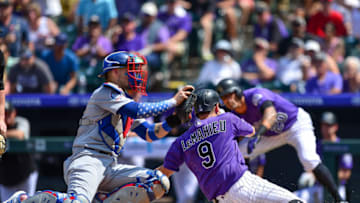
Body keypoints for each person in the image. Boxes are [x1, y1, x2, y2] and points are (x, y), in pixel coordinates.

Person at [5, 51, 194, 203]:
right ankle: (24, 200)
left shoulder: (123, 103)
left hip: (109, 166)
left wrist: (176, 120)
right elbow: (137, 110)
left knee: (157, 181)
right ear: (114, 72)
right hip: (87, 160)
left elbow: (150, 133)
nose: (135, 74)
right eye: (129, 69)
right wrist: (172, 101)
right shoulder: (106, 92)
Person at [157, 89, 303, 203]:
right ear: (216, 107)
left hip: (219, 199)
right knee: (294, 201)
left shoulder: (180, 141)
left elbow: (165, 172)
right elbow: (251, 131)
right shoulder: (227, 119)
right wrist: (222, 114)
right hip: (241, 184)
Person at [215, 78, 345, 202]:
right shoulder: (234, 114)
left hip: (296, 125)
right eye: (225, 98)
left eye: (230, 94)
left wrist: (258, 134)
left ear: (238, 91)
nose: (229, 100)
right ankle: (245, 193)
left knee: (309, 159)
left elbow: (271, 114)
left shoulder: (255, 94)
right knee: (241, 152)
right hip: (271, 135)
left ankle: (339, 199)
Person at [0, 101, 37, 202]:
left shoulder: (20, 121)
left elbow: (20, 135)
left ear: (14, 113)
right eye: (4, 113)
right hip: (5, 179)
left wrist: (3, 133)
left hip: (25, 174)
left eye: (9, 113)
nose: (7, 116)